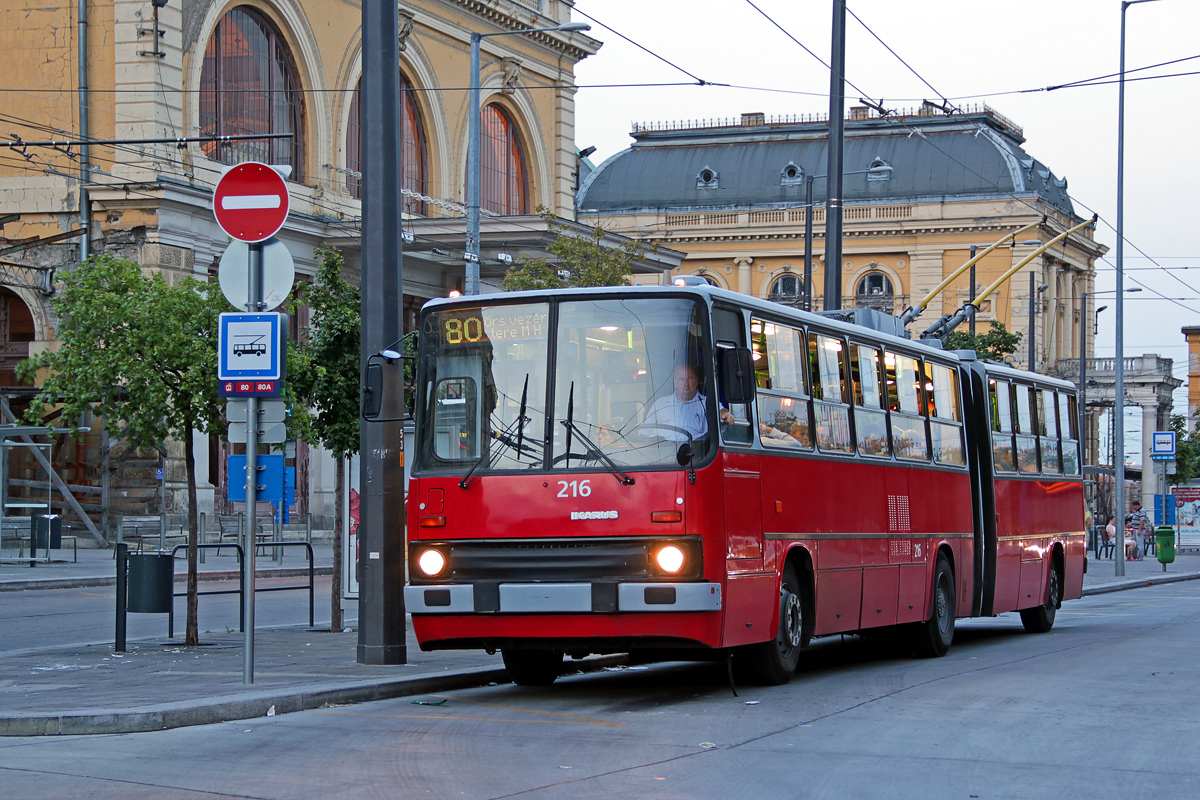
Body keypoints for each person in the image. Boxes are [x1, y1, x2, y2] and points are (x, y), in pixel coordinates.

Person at [642, 363, 734, 442]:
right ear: (675, 383)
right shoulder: (660, 404)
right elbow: (645, 433)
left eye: (689, 379)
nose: (686, 384)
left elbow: (721, 411)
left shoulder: (706, 403)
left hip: (694, 457)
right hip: (661, 453)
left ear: (696, 381)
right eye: (681, 379)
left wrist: (726, 414)